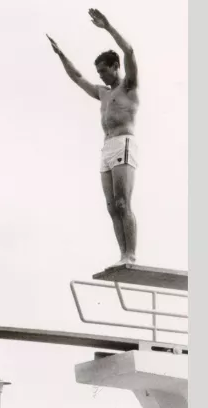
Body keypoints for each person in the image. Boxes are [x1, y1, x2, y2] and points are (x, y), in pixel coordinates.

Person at [48, 8, 139, 267]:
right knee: (111, 207)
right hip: (107, 148)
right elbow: (77, 77)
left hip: (124, 142)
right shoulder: (102, 93)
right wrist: (61, 54)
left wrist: (108, 27)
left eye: (103, 70)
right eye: (97, 71)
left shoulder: (128, 86)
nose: (100, 74)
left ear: (115, 67)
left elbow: (130, 51)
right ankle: (122, 255)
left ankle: (131, 253)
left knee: (123, 202)